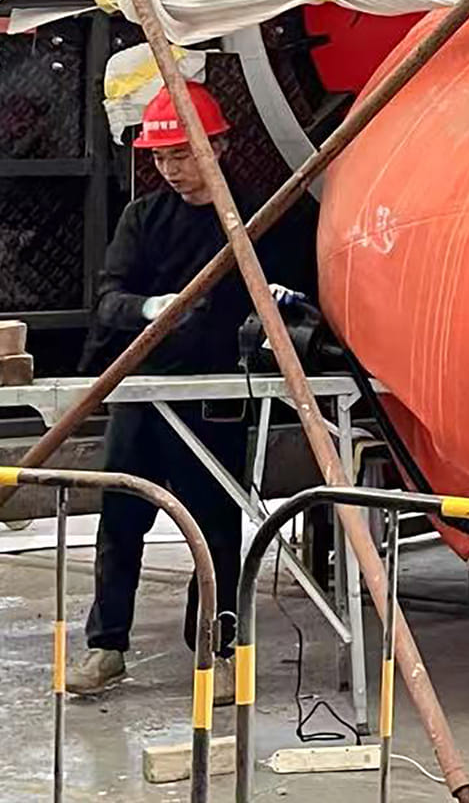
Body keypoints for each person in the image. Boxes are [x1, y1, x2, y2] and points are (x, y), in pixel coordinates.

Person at [65, 81, 317, 703]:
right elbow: (109, 298)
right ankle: (107, 646)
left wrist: (289, 304)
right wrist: (149, 308)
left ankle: (220, 648)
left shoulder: (258, 216)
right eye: (161, 158)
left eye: (183, 154)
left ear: (220, 145)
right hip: (145, 391)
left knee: (215, 528)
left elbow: (303, 296)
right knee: (120, 517)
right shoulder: (142, 219)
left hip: (216, 393)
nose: (172, 169)